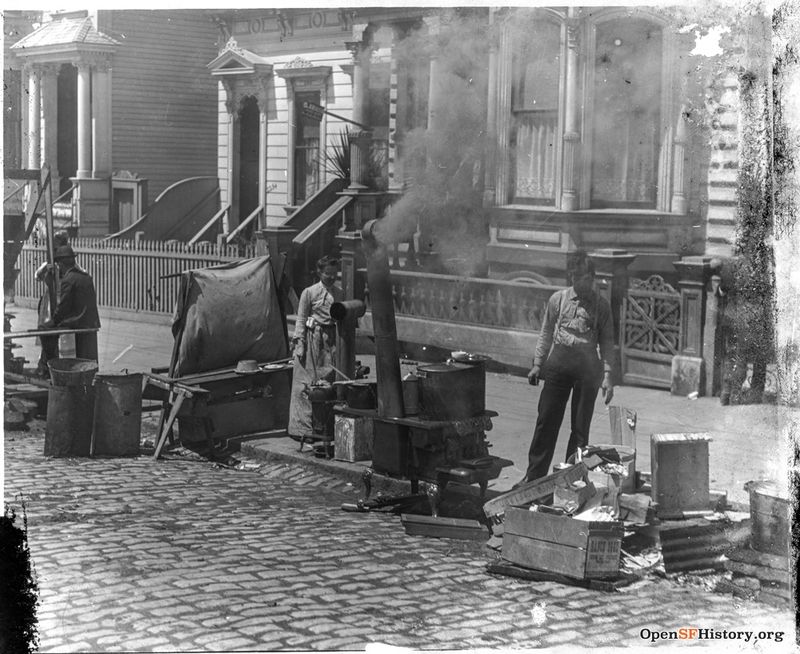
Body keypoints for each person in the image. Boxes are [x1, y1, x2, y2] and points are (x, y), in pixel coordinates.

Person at [516, 256, 615, 487]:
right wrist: (538, 364)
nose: (584, 283)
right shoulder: (558, 300)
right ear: (572, 277)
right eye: (579, 277)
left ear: (593, 278)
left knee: (580, 429)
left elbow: (608, 344)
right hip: (559, 362)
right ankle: (533, 477)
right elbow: (546, 333)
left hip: (588, 367)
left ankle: (571, 480)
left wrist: (608, 376)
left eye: (588, 278)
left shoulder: (602, 306)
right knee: (546, 421)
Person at [287, 255, 344, 440]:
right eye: (328, 274)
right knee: (305, 385)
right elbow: (301, 319)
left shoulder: (339, 292)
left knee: (326, 383)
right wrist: (300, 344)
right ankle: (302, 430)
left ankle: (323, 428)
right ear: (319, 272)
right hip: (312, 340)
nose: (331, 277)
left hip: (331, 341)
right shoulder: (309, 293)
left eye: (334, 274)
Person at [39, 245, 101, 367]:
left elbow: (63, 307)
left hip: (77, 321)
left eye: (59, 265)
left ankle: (52, 365)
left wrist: (53, 321)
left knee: (44, 330)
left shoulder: (68, 279)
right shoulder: (86, 277)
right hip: (91, 321)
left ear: (61, 264)